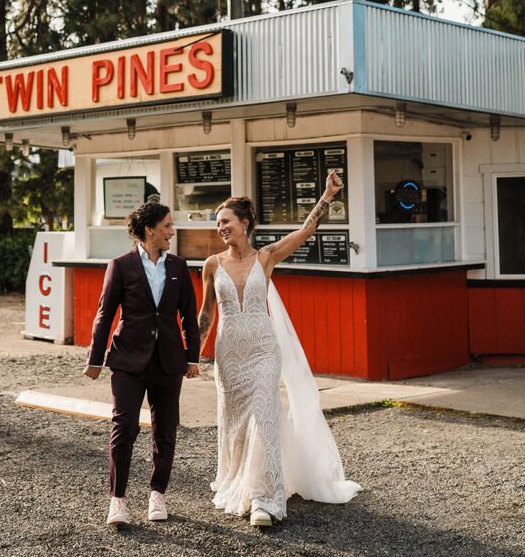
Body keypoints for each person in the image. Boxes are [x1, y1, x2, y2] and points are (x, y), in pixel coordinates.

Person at [198, 171, 362, 526]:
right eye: (218, 224)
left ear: (244, 223)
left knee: (264, 415)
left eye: (226, 221)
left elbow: (305, 231)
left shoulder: (266, 257)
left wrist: (327, 196)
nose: (221, 228)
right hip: (229, 357)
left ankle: (264, 499)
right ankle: (239, 482)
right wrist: (191, 355)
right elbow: (206, 315)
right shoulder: (212, 265)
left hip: (263, 351)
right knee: (237, 424)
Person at [84, 202, 200, 527]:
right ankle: (117, 502)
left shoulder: (178, 265)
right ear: (150, 229)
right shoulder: (120, 266)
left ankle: (157, 494)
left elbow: (189, 315)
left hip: (169, 360)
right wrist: (95, 359)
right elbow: (105, 314)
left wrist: (192, 357)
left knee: (165, 430)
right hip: (127, 359)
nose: (172, 232)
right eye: (167, 226)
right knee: (124, 427)